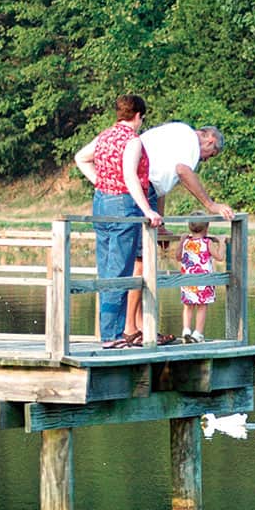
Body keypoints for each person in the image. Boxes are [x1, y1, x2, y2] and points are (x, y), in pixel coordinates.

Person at [122, 122, 236, 339]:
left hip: (144, 187)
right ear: (210, 140)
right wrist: (211, 205)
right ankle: (130, 328)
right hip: (139, 188)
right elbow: (182, 171)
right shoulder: (191, 143)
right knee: (140, 262)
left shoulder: (178, 135)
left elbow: (161, 185)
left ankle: (139, 327)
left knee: (141, 261)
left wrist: (161, 225)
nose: (206, 159)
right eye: (211, 154)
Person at [73, 94, 162, 348]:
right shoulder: (132, 141)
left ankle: (109, 332)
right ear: (138, 116)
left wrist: (101, 183)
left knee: (106, 268)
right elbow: (130, 176)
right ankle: (112, 336)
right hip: (123, 204)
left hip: (101, 202)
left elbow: (81, 157)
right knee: (120, 270)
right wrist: (148, 210)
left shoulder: (105, 136)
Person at [176, 211, 226, 343]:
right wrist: (221, 243)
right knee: (202, 307)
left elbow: (178, 257)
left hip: (187, 279)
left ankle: (186, 330)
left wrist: (181, 241)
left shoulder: (186, 242)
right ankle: (197, 333)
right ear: (207, 228)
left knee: (188, 306)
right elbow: (220, 257)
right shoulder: (207, 242)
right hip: (204, 280)